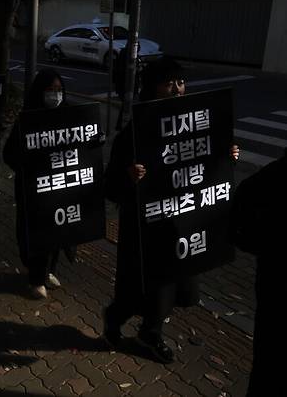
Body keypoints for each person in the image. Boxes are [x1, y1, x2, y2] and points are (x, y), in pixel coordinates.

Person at [102, 57, 240, 363]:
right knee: (140, 288)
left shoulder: (197, 123)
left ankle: (150, 332)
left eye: (180, 82)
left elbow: (205, 164)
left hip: (183, 223)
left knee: (174, 287)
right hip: (147, 229)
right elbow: (109, 184)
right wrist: (129, 176)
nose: (177, 89)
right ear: (153, 87)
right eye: (169, 83)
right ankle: (116, 320)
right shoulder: (136, 131)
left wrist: (226, 156)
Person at [3, 68, 78, 299]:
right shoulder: (28, 120)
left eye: (58, 90)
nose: (54, 95)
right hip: (34, 192)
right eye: (49, 90)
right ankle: (36, 278)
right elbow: (9, 154)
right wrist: (30, 168)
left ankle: (48, 271)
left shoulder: (69, 117)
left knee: (57, 233)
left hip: (61, 188)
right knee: (36, 234)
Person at [229, 148, 286, 397]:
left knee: (267, 368)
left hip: (274, 285)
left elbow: (237, 222)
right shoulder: (272, 177)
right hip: (275, 287)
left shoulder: (273, 176)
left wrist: (259, 245)